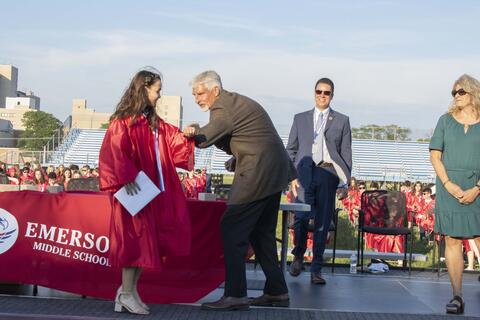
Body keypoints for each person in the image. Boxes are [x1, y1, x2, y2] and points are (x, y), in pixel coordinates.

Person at [183, 70, 296, 311]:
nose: (197, 98)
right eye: (193, 94)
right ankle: (277, 290)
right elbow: (248, 135)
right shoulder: (235, 102)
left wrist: (193, 131)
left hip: (259, 171)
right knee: (261, 233)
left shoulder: (222, 107)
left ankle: (235, 295)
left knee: (231, 228)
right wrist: (237, 155)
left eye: (200, 93)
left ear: (215, 90)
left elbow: (206, 138)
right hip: (275, 170)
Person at [98, 69, 195, 315]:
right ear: (144, 89)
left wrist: (189, 133)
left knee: (147, 243)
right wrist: (126, 174)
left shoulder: (153, 123)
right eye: (157, 90)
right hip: (133, 190)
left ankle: (127, 292)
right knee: (136, 242)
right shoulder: (123, 121)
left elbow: (175, 141)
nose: (159, 95)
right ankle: (127, 293)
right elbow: (115, 151)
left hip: (150, 192)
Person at [286, 77, 352, 284]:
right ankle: (298, 256)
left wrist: (345, 182)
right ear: (314, 93)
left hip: (327, 173)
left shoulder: (342, 120)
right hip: (304, 172)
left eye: (327, 92)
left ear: (332, 95)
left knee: (323, 222)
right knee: (301, 217)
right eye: (319, 91)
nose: (322, 95)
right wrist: (291, 176)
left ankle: (317, 268)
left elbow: (346, 152)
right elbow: (291, 149)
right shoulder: (300, 118)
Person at [429, 74, 480, 314]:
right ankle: (457, 296)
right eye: (454, 93)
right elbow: (435, 156)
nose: (456, 96)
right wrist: (448, 184)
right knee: (452, 240)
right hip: (449, 189)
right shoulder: (445, 121)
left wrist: (477, 189)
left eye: (461, 91)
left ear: (473, 92)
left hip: (478, 189)